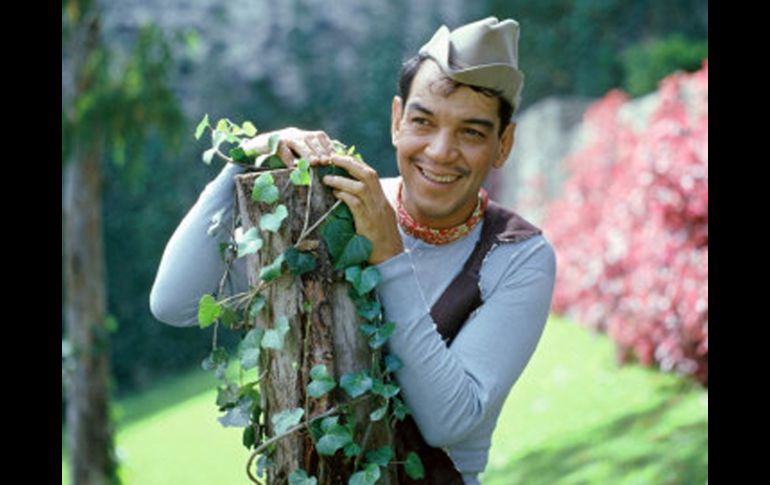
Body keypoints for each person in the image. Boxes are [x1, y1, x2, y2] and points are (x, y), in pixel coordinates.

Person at [150, 17, 556, 484]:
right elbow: (174, 303)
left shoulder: (519, 256)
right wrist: (241, 160)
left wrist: (388, 255)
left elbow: (450, 422)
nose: (441, 152)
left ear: (503, 144)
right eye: (423, 121)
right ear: (397, 121)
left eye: (472, 132)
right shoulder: (332, 210)